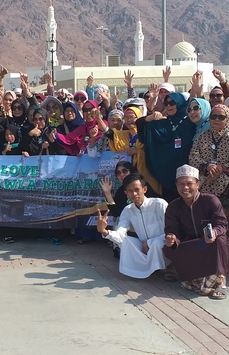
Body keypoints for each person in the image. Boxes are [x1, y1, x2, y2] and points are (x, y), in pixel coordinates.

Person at [164, 165, 229, 299]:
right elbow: (172, 230)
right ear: (176, 185)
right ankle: (191, 277)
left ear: (198, 184)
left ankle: (221, 282)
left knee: (221, 240)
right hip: (191, 246)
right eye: (181, 184)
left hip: (210, 245)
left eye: (189, 183)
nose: (185, 187)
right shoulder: (173, 207)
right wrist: (172, 238)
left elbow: (221, 224)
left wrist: (214, 233)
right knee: (168, 247)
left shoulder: (210, 200)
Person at [97, 173, 168, 279]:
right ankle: (143, 270)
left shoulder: (159, 204)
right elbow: (120, 234)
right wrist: (104, 231)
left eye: (137, 189)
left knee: (156, 244)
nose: (134, 194)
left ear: (144, 189)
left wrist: (149, 242)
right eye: (130, 191)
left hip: (163, 244)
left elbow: (171, 230)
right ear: (126, 193)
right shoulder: (128, 210)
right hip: (145, 248)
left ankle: (164, 268)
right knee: (125, 241)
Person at [137, 92, 196, 201]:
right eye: (166, 103)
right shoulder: (162, 123)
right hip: (166, 175)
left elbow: (203, 113)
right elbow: (140, 126)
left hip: (188, 175)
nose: (168, 106)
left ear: (180, 103)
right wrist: (150, 117)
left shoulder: (191, 122)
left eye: (172, 103)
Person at [189, 104, 229, 215]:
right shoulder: (202, 137)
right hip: (205, 185)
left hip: (226, 187)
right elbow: (193, 156)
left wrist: (221, 168)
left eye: (221, 117)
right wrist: (207, 166)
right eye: (213, 116)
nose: (216, 119)